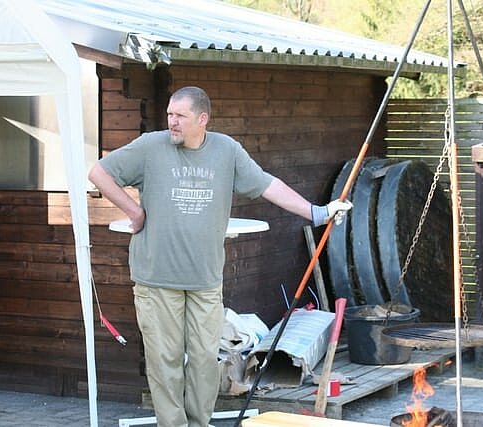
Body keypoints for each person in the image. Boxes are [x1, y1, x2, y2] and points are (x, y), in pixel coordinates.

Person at [88, 86, 351, 427]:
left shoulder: (226, 151)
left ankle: (199, 423)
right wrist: (134, 211)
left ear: (203, 119)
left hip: (205, 280)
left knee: (204, 360)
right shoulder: (150, 147)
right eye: (169, 114)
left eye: (180, 116)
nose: (172, 122)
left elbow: (267, 185)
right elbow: (99, 173)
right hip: (156, 278)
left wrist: (317, 213)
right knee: (165, 362)